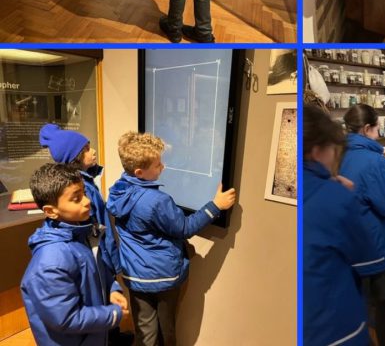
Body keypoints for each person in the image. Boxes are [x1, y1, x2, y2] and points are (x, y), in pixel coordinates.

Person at [106, 132, 236, 345]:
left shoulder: (118, 190)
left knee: (145, 332)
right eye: (157, 165)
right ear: (139, 172)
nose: (163, 167)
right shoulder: (157, 201)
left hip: (135, 275)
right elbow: (185, 228)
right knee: (167, 331)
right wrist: (216, 206)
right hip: (162, 276)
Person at [21, 163, 128, 345]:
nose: (87, 201)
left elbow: (95, 270)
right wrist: (112, 315)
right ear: (51, 211)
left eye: (84, 193)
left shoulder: (81, 232)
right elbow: (65, 318)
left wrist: (111, 288)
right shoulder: (50, 262)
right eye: (76, 198)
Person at [304, 105, 379, 346]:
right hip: (339, 328)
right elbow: (366, 256)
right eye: (332, 150)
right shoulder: (336, 196)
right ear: (317, 151)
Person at [338, 104, 385, 346]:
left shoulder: (335, 156)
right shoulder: (375, 161)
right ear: (367, 129)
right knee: (382, 307)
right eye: (377, 128)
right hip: (372, 247)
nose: (379, 133)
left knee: (357, 309)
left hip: (346, 247)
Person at [39, 123, 121, 275]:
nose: (93, 151)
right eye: (87, 149)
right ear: (75, 157)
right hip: (99, 257)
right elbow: (95, 230)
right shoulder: (84, 188)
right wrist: (113, 264)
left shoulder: (86, 181)